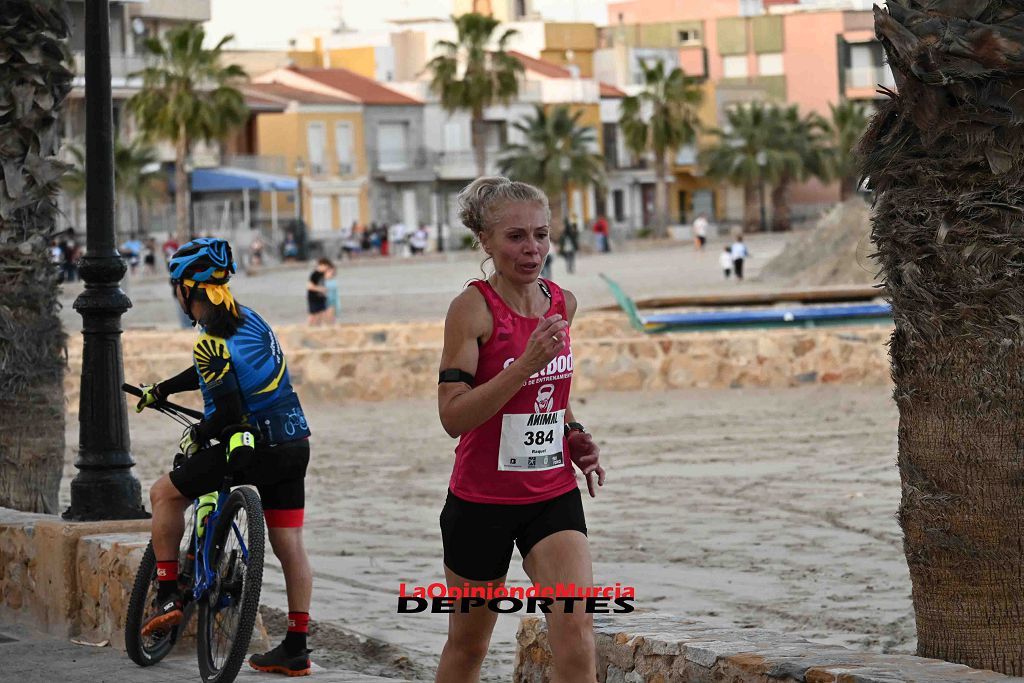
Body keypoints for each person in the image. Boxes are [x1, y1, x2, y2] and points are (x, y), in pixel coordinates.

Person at [435, 176, 606, 682]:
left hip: (551, 494)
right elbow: (452, 417)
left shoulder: (562, 303)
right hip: (480, 504)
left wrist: (574, 434)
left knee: (576, 631)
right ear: (485, 242)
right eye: (516, 237)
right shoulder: (472, 309)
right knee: (469, 646)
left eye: (541, 234)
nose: (532, 249)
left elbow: (553, 396)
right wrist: (525, 364)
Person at [136, 238, 314, 676]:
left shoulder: (207, 339)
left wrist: (199, 431)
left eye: (174, 286)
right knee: (289, 543)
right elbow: (215, 371)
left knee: (165, 494)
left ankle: (167, 595)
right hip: (294, 443)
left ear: (186, 289)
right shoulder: (249, 318)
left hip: (252, 447)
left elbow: (229, 411)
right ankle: (295, 647)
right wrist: (164, 389)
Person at [307, 258, 331, 325]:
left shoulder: (322, 274)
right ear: (322, 265)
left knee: (322, 312)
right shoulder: (314, 274)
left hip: (320, 296)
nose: (326, 269)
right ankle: (309, 326)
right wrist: (321, 289)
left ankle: (318, 326)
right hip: (313, 297)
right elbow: (309, 287)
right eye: (326, 267)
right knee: (313, 314)